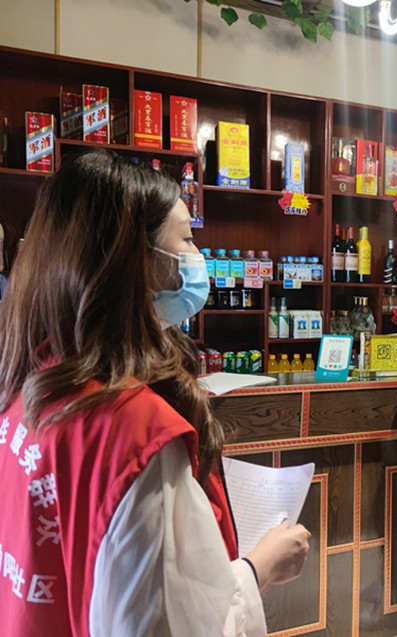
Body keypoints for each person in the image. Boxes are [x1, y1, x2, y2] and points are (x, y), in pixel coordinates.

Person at [0, 150, 310, 636]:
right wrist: (259, 568)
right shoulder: (136, 430)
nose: (196, 256)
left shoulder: (31, 378)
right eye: (186, 238)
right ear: (136, 261)